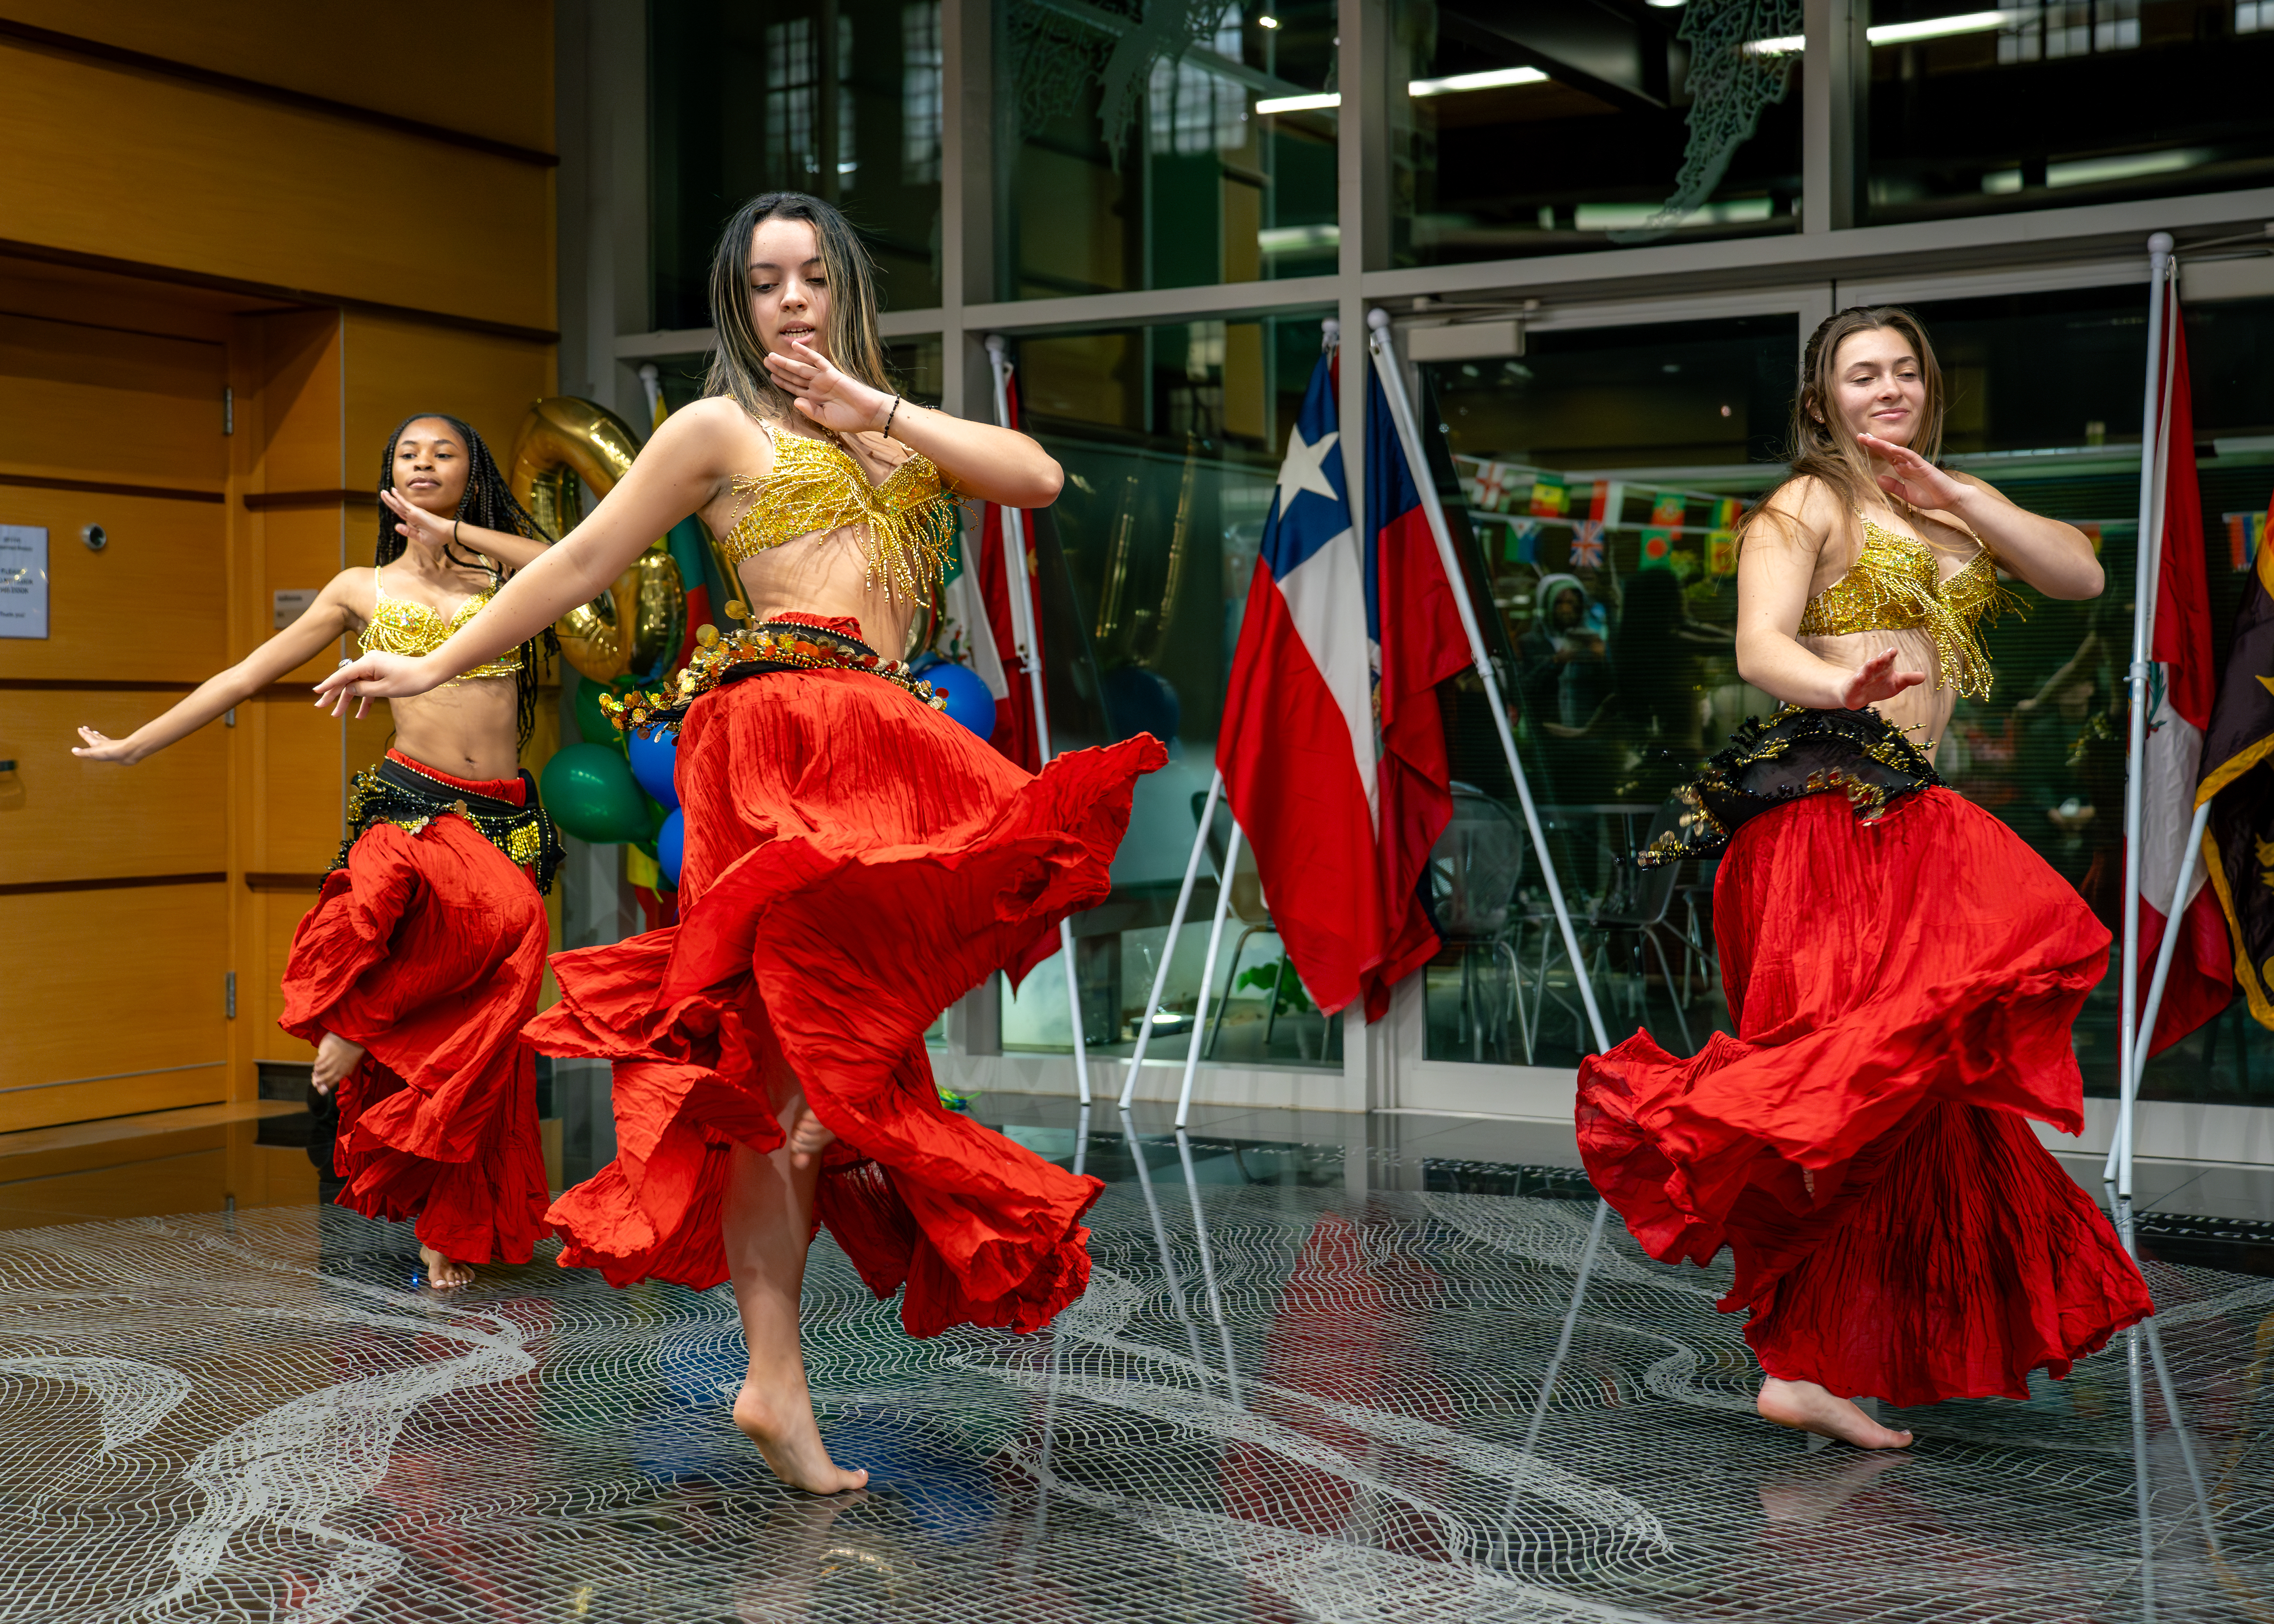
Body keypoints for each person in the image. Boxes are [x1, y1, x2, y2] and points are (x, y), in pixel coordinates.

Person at [314, 191, 1163, 1494]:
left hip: (890, 737)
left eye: (813, 276)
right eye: (766, 282)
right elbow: (578, 564)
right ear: (737, 302)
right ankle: (773, 1377)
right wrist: (433, 647)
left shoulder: (895, 428)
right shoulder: (718, 427)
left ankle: (774, 1378)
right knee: (785, 1076)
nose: (793, 301)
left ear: (846, 288)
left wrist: (870, 407)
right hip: (777, 742)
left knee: (811, 1090)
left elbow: (1037, 479)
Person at [1575, 307, 2153, 1448]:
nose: (1884, 389)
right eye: (1859, 375)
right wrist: (1836, 689)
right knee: (1834, 1084)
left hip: (1911, 815)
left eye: (1901, 371)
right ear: (1820, 398)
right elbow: (1760, 648)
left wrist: (1960, 496)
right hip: (1823, 819)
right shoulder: (1807, 504)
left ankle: (1807, 1362)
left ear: (1926, 387)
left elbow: (2081, 573)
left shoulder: (1940, 504)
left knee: (1911, 1091)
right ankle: (1785, 1337)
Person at [75, 415, 563, 1289]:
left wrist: (457, 538)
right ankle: (352, 1021)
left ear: (470, 474)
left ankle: (450, 1217)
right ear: (387, 476)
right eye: (406, 454)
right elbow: (245, 676)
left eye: (441, 453)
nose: (422, 465)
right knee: (511, 931)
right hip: (416, 805)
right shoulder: (360, 588)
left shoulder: (509, 573)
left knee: (491, 1026)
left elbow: (576, 563)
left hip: (506, 815)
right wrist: (137, 746)